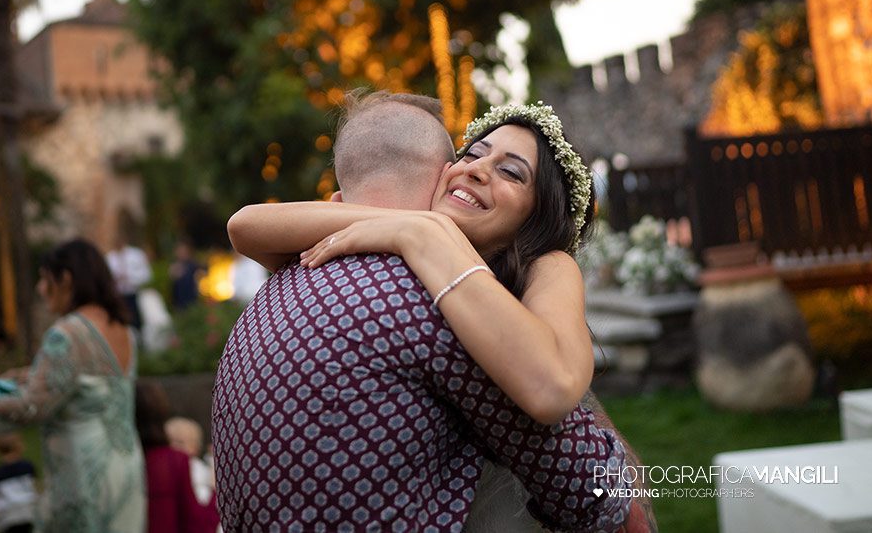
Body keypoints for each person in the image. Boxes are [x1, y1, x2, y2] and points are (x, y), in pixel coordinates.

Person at [213, 92, 638, 532]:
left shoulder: (545, 267)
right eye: (471, 153)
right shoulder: (418, 284)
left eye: (511, 171)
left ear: (538, 215)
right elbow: (245, 225)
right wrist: (416, 228)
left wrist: (422, 232)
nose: (476, 168)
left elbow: (560, 404)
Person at [0, 238, 145, 532]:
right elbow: (92, 381)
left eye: (44, 279)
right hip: (126, 466)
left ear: (65, 279)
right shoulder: (123, 328)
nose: (41, 290)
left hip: (84, 473)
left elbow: (31, 405)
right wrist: (29, 374)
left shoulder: (66, 333)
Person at [135, 379, 220, 533]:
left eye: (182, 442)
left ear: (195, 447)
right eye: (173, 440)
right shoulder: (173, 463)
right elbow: (197, 524)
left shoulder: (191, 467)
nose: (175, 446)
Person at [0, 433, 37, 533]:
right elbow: (33, 484)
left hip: (8, 515)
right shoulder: (27, 466)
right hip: (28, 511)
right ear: (19, 448)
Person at [106, 235, 153, 333]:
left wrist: (130, 277)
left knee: (136, 318)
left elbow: (147, 275)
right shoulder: (109, 258)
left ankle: (139, 337)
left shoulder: (136, 255)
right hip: (117, 295)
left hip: (133, 292)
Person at [166, 415, 216, 506]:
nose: (173, 446)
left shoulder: (198, 469)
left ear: (195, 447)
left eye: (180, 442)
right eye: (169, 442)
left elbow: (203, 499)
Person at [168, 240, 201, 310]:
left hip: (193, 299)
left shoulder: (194, 265)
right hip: (179, 302)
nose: (182, 253)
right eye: (179, 251)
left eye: (183, 251)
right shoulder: (174, 266)